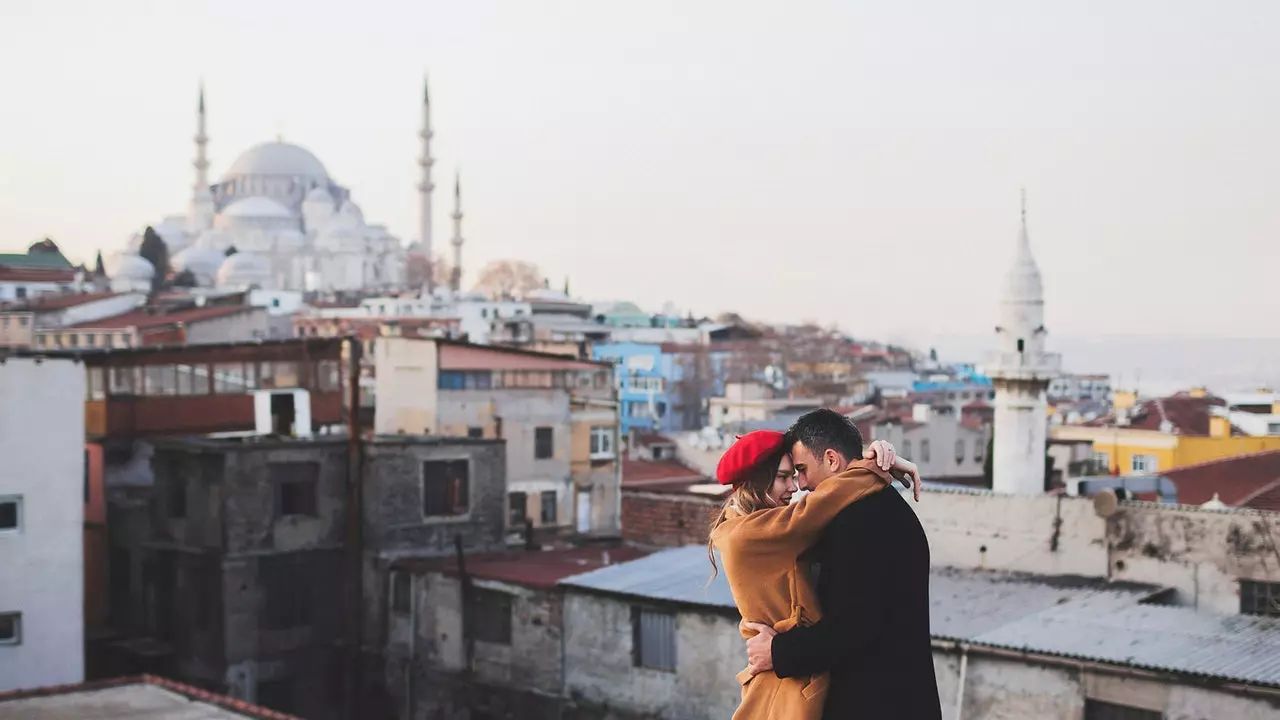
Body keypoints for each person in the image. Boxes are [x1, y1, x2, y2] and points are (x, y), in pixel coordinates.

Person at [744, 409, 942, 719]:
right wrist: (873, 463)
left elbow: (853, 626)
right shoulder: (875, 506)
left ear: (833, 460)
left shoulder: (861, 520)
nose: (802, 484)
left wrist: (776, 653)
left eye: (802, 469)